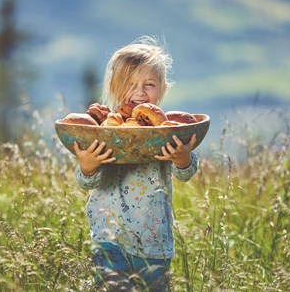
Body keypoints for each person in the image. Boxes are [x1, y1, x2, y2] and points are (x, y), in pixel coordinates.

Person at [74, 36, 198, 291]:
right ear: (113, 87)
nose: (140, 92)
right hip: (109, 235)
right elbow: (86, 181)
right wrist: (88, 164)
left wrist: (183, 158)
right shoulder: (103, 130)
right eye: (130, 84)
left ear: (161, 89)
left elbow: (185, 173)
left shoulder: (163, 131)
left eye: (149, 84)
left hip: (153, 239)